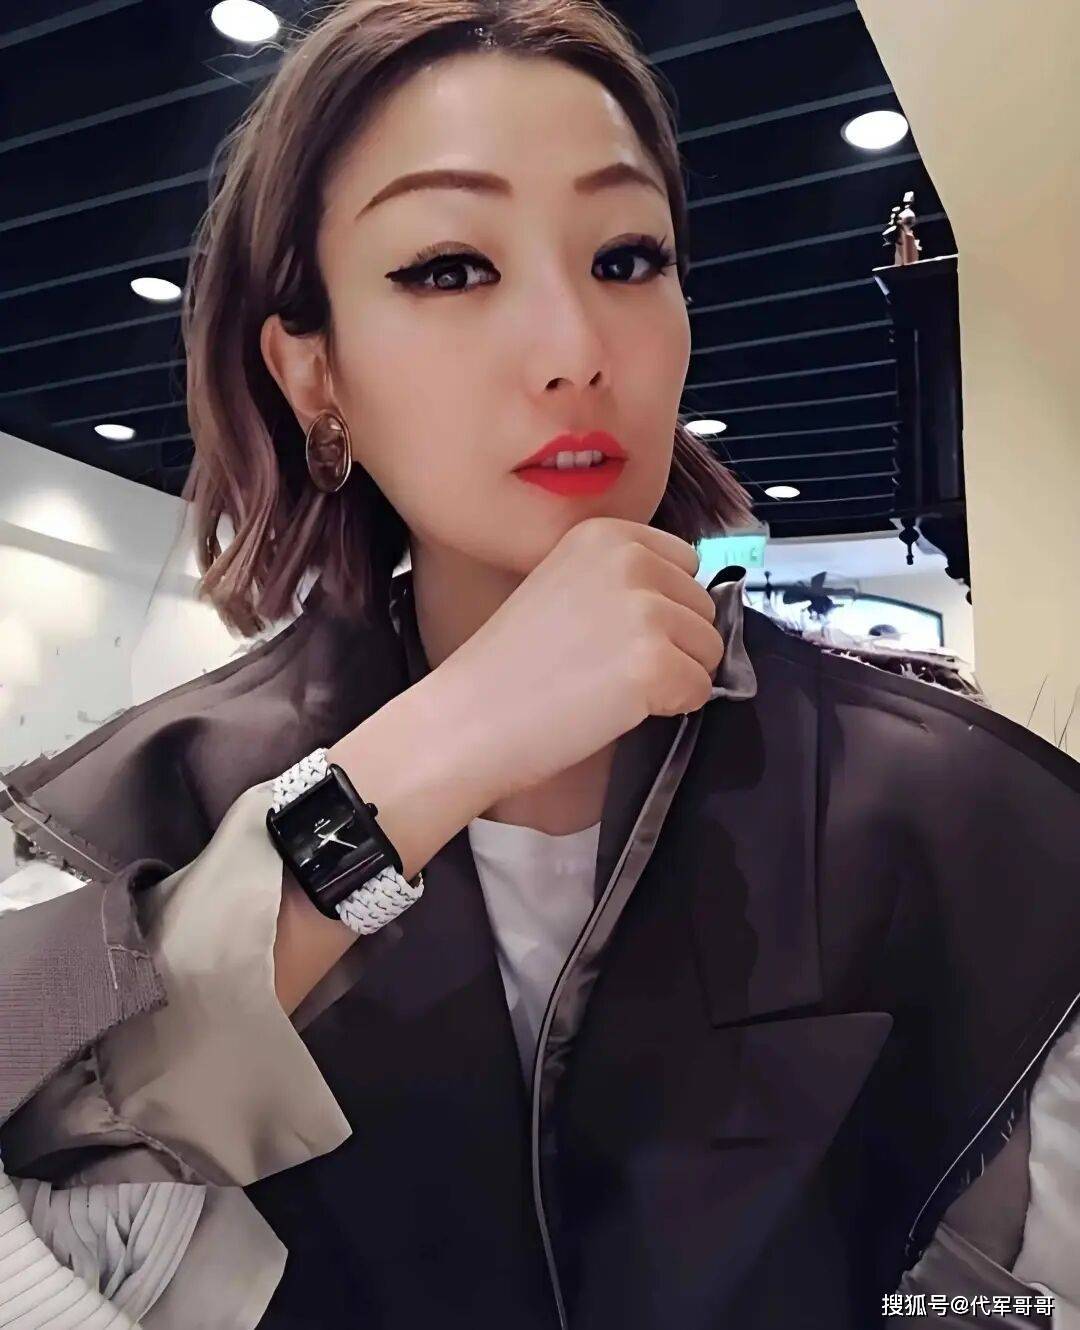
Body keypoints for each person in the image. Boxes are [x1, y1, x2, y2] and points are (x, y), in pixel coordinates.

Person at [1, 3, 1079, 1327]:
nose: (576, 349)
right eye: (450, 267)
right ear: (312, 371)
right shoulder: (109, 821)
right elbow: (36, 1116)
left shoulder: (966, 819)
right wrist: (422, 763)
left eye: (628, 257)